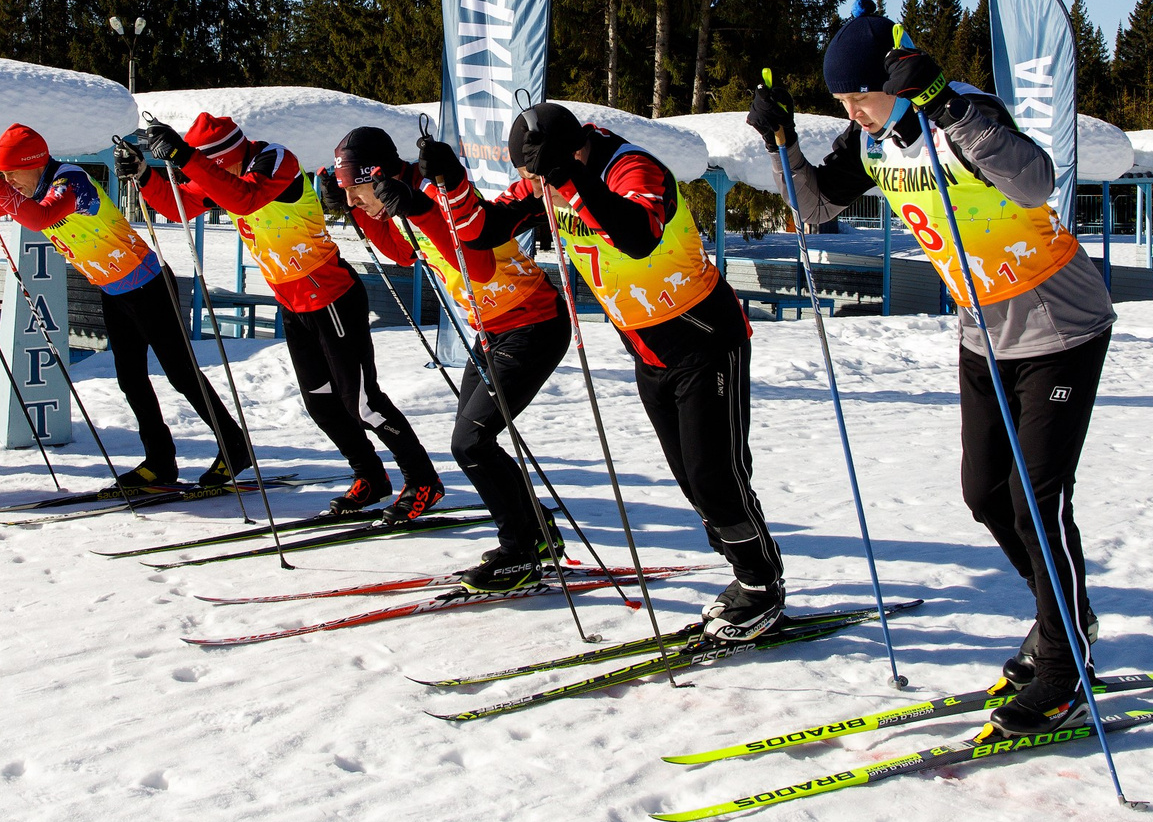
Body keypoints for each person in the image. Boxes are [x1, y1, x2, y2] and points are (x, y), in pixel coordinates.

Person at [764, 1, 1117, 738]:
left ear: (897, 77)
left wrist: (947, 104)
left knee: (1035, 500)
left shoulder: (965, 118)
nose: (855, 112)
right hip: (982, 330)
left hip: (1059, 325)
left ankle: (1064, 663)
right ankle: (1064, 619)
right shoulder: (872, 142)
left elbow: (1035, 183)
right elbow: (813, 209)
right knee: (984, 492)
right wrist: (784, 141)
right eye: (843, 103)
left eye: (862, 95)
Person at [448, 103, 785, 639]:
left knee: (715, 477)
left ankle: (762, 585)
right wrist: (450, 184)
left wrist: (568, 177)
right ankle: (742, 561)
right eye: (528, 177)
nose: (531, 187)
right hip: (649, 351)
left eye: (536, 175)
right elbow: (484, 230)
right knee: (695, 483)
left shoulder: (631, 168)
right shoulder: (551, 180)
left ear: (570, 154)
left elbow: (638, 234)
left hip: (704, 340)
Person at [135, 112, 446, 523]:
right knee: (321, 405)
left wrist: (187, 157)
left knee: (363, 403)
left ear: (226, 156)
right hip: (294, 303)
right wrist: (143, 175)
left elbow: (245, 199)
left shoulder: (273, 161)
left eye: (213, 165)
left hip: (331, 295)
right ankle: (370, 476)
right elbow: (180, 207)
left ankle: (423, 479)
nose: (208, 174)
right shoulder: (223, 176)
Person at [0, 124, 253, 492]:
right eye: (2, 173)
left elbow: (40, 218)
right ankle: (160, 461)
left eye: (13, 172)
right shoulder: (30, 190)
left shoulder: (70, 182)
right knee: (131, 380)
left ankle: (235, 445)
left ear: (35, 162)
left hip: (150, 286)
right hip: (113, 290)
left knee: (181, 374)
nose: (7, 180)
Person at [336, 126, 568, 578]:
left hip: (532, 322)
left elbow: (476, 266)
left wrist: (420, 209)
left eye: (355, 190)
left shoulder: (436, 190)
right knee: (475, 443)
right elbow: (405, 253)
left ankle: (519, 549)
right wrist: (367, 215)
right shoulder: (404, 197)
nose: (351, 202)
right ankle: (536, 532)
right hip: (493, 331)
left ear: (376, 174)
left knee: (471, 443)